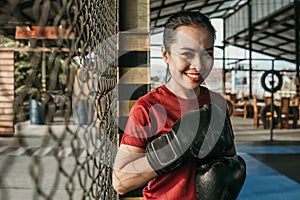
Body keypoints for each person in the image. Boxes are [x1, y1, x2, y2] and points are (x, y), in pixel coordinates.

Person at [112, 10, 246, 200]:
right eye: (187, 54)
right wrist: (174, 148)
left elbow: (230, 158)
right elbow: (120, 182)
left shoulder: (217, 103)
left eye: (207, 53)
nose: (198, 65)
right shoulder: (147, 108)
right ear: (166, 55)